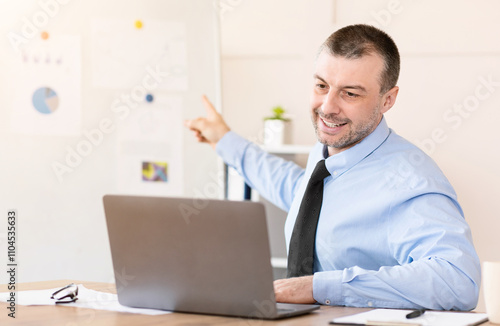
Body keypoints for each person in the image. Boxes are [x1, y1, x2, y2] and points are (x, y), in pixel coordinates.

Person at [185, 24, 480, 310]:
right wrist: (224, 140)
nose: (327, 107)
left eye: (350, 93)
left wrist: (316, 288)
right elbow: (298, 192)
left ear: (387, 99)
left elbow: (457, 280)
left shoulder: (409, 180)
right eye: (321, 86)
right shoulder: (331, 149)